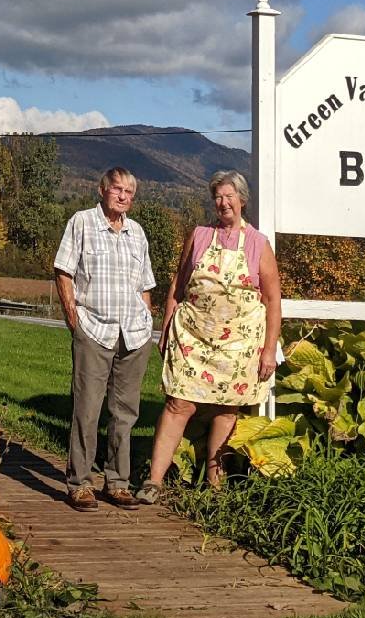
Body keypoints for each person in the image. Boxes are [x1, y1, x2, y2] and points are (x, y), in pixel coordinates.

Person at [136, 170, 281, 502]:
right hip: (193, 339)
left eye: (229, 196)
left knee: (226, 410)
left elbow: (273, 299)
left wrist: (269, 349)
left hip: (239, 344)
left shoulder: (258, 243)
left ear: (242, 200)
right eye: (217, 196)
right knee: (178, 404)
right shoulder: (200, 235)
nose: (223, 202)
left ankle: (214, 487)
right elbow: (178, 282)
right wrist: (168, 326)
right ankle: (154, 481)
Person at [53, 167, 157, 512]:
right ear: (102, 189)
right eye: (117, 189)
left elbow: (145, 285)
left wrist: (147, 320)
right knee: (87, 408)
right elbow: (63, 271)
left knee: (125, 412)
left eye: (130, 191)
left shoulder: (137, 233)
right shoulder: (82, 222)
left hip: (133, 333)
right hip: (94, 328)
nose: (123, 196)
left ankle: (117, 482)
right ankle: (80, 483)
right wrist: (74, 319)